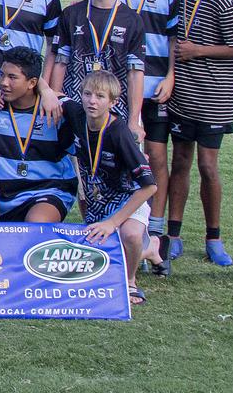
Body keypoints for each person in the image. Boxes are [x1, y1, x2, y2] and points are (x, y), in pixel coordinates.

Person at [166, 0, 233, 266]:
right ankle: (173, 235)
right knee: (180, 163)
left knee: (208, 166)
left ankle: (214, 238)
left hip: (214, 98)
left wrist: (199, 51)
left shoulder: (222, 0)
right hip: (182, 97)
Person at [63, 70, 160, 304]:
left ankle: (130, 281)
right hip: (99, 201)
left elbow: (149, 187)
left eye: (100, 96)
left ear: (113, 102)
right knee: (101, 252)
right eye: (87, 94)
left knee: (130, 234)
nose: (92, 101)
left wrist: (113, 222)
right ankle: (152, 248)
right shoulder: (77, 114)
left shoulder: (120, 133)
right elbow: (51, 92)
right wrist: (46, 93)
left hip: (129, 199)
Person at [117, 0, 180, 274]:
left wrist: (170, 75)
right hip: (120, 89)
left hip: (156, 86)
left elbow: (172, 40)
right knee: (121, 156)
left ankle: (154, 227)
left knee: (155, 154)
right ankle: (125, 225)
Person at [49, 0, 145, 141]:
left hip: (114, 108)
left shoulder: (132, 20)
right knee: (74, 164)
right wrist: (55, 98)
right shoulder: (72, 13)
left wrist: (134, 120)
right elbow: (60, 61)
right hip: (75, 105)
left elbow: (135, 72)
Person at [0, 47, 78, 222]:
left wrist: (47, 91)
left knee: (36, 223)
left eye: (12, 77)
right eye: (2, 75)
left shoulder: (57, 109)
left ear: (32, 83)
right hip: (10, 198)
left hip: (51, 191)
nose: (4, 82)